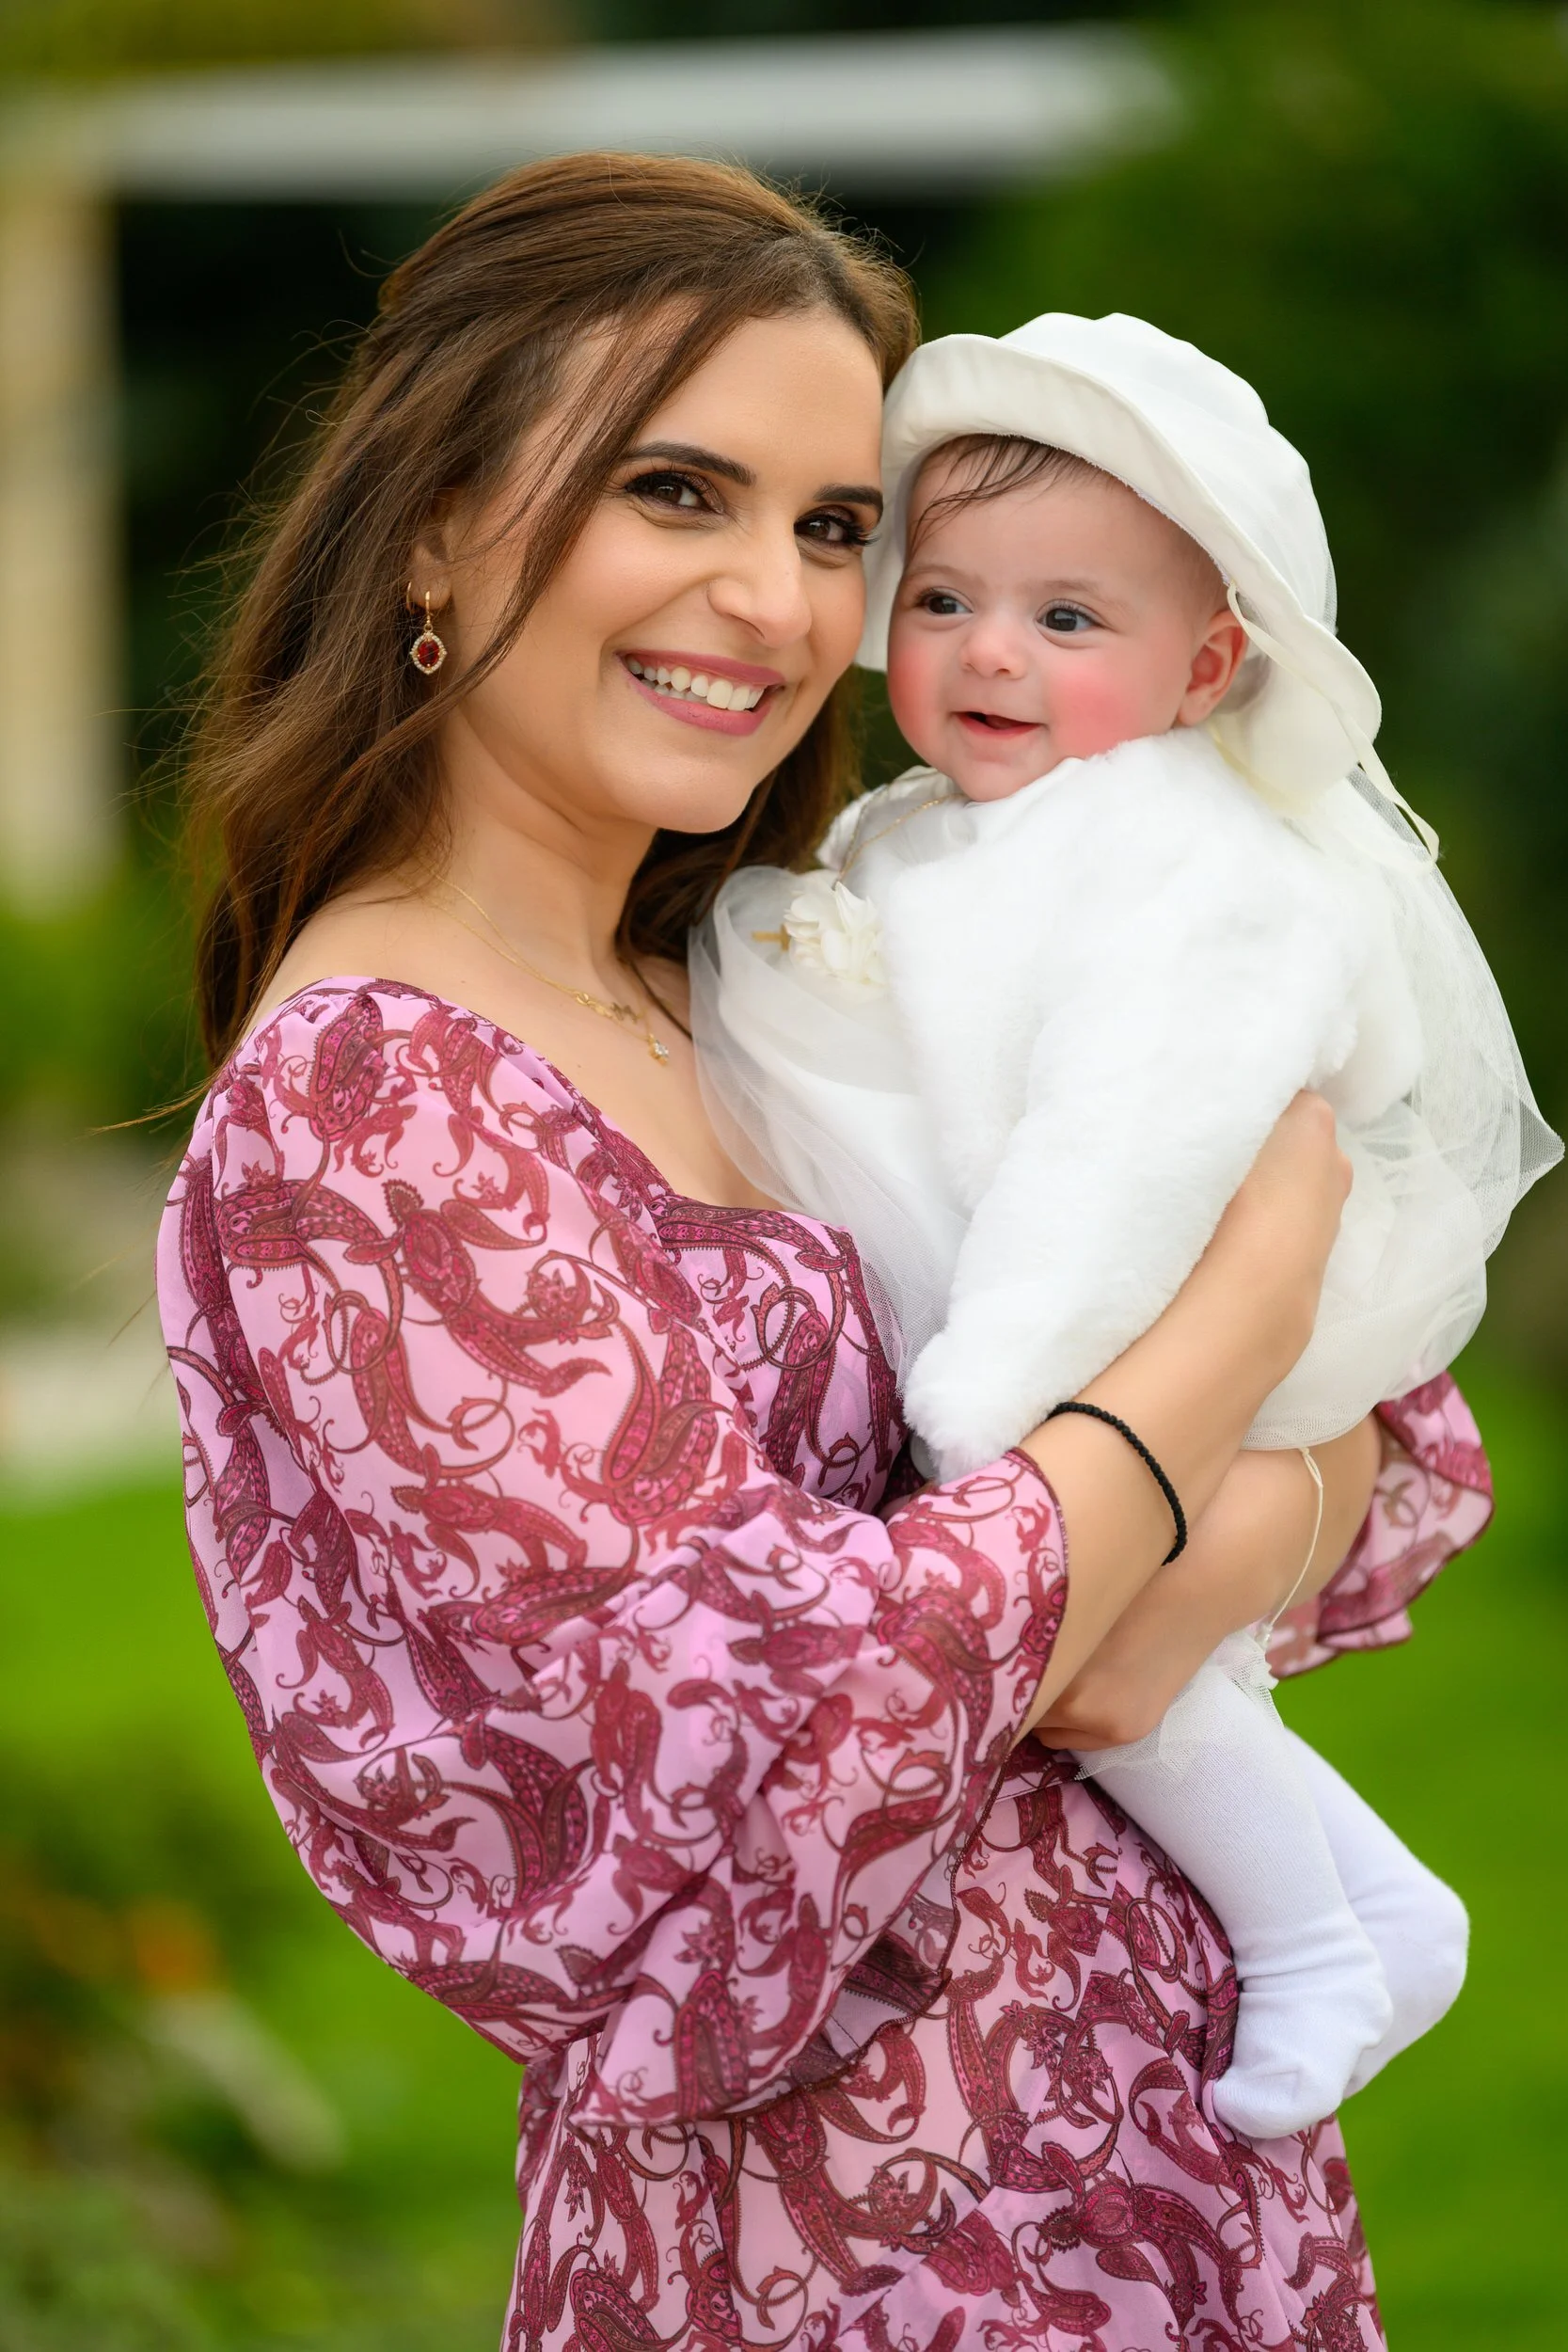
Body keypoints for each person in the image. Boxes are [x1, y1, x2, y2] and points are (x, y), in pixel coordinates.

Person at [156, 159, 1493, 2351]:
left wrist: (1166, 1549)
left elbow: (1387, 1454)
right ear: (427, 520)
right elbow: (792, 1729)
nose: (773, 605)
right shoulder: (374, 1103)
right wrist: (1214, 1353)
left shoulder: (745, 979)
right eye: (670, 490)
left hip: (1168, 2158)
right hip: (849, 2245)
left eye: (829, 524)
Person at [694, 312, 1558, 2144]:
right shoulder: (941, 830)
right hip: (1063, 1308)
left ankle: (1312, 1931)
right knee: (1149, 1652)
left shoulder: (1191, 864)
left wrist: (1000, 1390)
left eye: (1067, 620)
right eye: (943, 601)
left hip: (1123, 1311)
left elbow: (1133, 1137)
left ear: (1205, 666)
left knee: (1114, 1648)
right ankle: (1376, 1902)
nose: (989, 650)